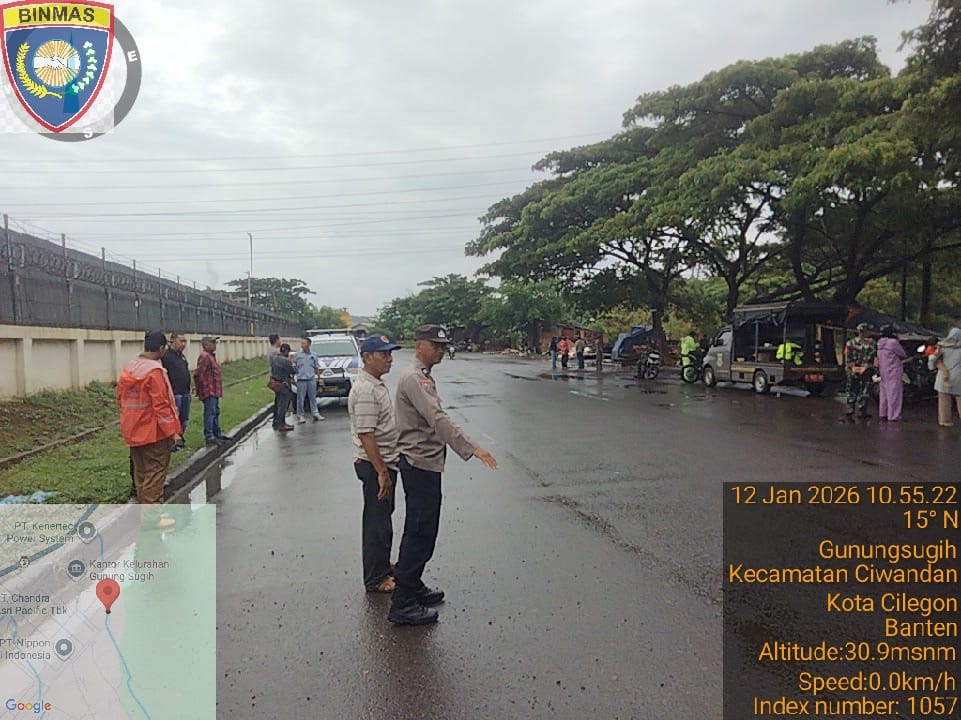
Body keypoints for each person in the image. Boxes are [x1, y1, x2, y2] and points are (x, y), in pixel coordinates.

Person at [389, 324, 499, 625]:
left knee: (423, 530)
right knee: (419, 533)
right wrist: (472, 448)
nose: (441, 351)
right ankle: (402, 603)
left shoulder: (422, 376)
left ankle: (412, 585)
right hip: (419, 463)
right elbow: (437, 418)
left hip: (425, 462)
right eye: (435, 345)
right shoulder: (414, 378)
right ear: (419, 345)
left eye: (443, 346)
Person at [348, 334, 403, 594]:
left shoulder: (375, 384)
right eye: (383, 354)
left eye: (390, 354)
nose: (389, 359)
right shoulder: (366, 390)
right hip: (374, 466)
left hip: (384, 462)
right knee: (376, 523)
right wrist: (381, 472)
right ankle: (375, 578)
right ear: (367, 357)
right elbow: (366, 434)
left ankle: (382, 564)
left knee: (383, 518)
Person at [117, 331, 182, 511]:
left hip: (133, 429)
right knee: (155, 473)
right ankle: (152, 516)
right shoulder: (154, 372)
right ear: (161, 348)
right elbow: (161, 405)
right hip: (153, 432)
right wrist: (173, 433)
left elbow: (121, 398)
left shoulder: (130, 368)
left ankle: (144, 512)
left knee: (141, 473)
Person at [194, 336, 229, 446]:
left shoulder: (211, 356)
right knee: (210, 413)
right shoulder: (204, 357)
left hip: (214, 390)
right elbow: (198, 374)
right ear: (205, 345)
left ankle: (216, 434)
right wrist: (200, 388)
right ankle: (209, 436)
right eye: (212, 342)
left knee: (215, 412)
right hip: (209, 391)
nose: (215, 345)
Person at [161, 331, 190, 450]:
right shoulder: (166, 357)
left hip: (185, 392)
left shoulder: (182, 356)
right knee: (174, 420)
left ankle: (180, 440)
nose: (183, 344)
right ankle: (172, 443)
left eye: (185, 341)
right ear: (172, 341)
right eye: (181, 341)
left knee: (184, 419)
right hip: (174, 394)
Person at [844, 323, 877, 420]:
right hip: (865, 370)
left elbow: (847, 357)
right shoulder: (872, 343)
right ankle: (862, 410)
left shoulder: (850, 342)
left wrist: (852, 367)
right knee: (864, 390)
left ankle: (850, 409)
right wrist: (867, 367)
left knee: (851, 389)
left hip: (853, 369)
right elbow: (875, 357)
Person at [929, 327, 961, 427]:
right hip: (959, 377)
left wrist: (933, 366)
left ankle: (944, 421)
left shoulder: (942, 347)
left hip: (943, 377)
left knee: (944, 401)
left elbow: (932, 360)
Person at [877, 324, 907, 422]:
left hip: (883, 371)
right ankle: (893, 415)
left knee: (884, 393)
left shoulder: (879, 343)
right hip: (893, 371)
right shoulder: (893, 342)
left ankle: (883, 413)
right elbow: (902, 354)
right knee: (894, 394)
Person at [293, 337, 325, 423]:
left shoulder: (314, 355)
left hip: (311, 379)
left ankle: (315, 413)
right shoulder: (297, 354)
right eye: (301, 343)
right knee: (300, 398)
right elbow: (294, 366)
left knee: (313, 397)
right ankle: (300, 415)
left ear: (309, 344)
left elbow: (316, 367)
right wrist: (293, 378)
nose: (302, 345)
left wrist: (319, 378)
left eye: (304, 343)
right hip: (301, 379)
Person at [270, 343, 296, 431]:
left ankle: (275, 423)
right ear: (287, 351)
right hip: (284, 384)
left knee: (277, 404)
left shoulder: (274, 358)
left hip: (276, 384)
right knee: (283, 405)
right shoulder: (286, 361)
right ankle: (282, 424)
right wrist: (292, 362)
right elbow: (292, 371)